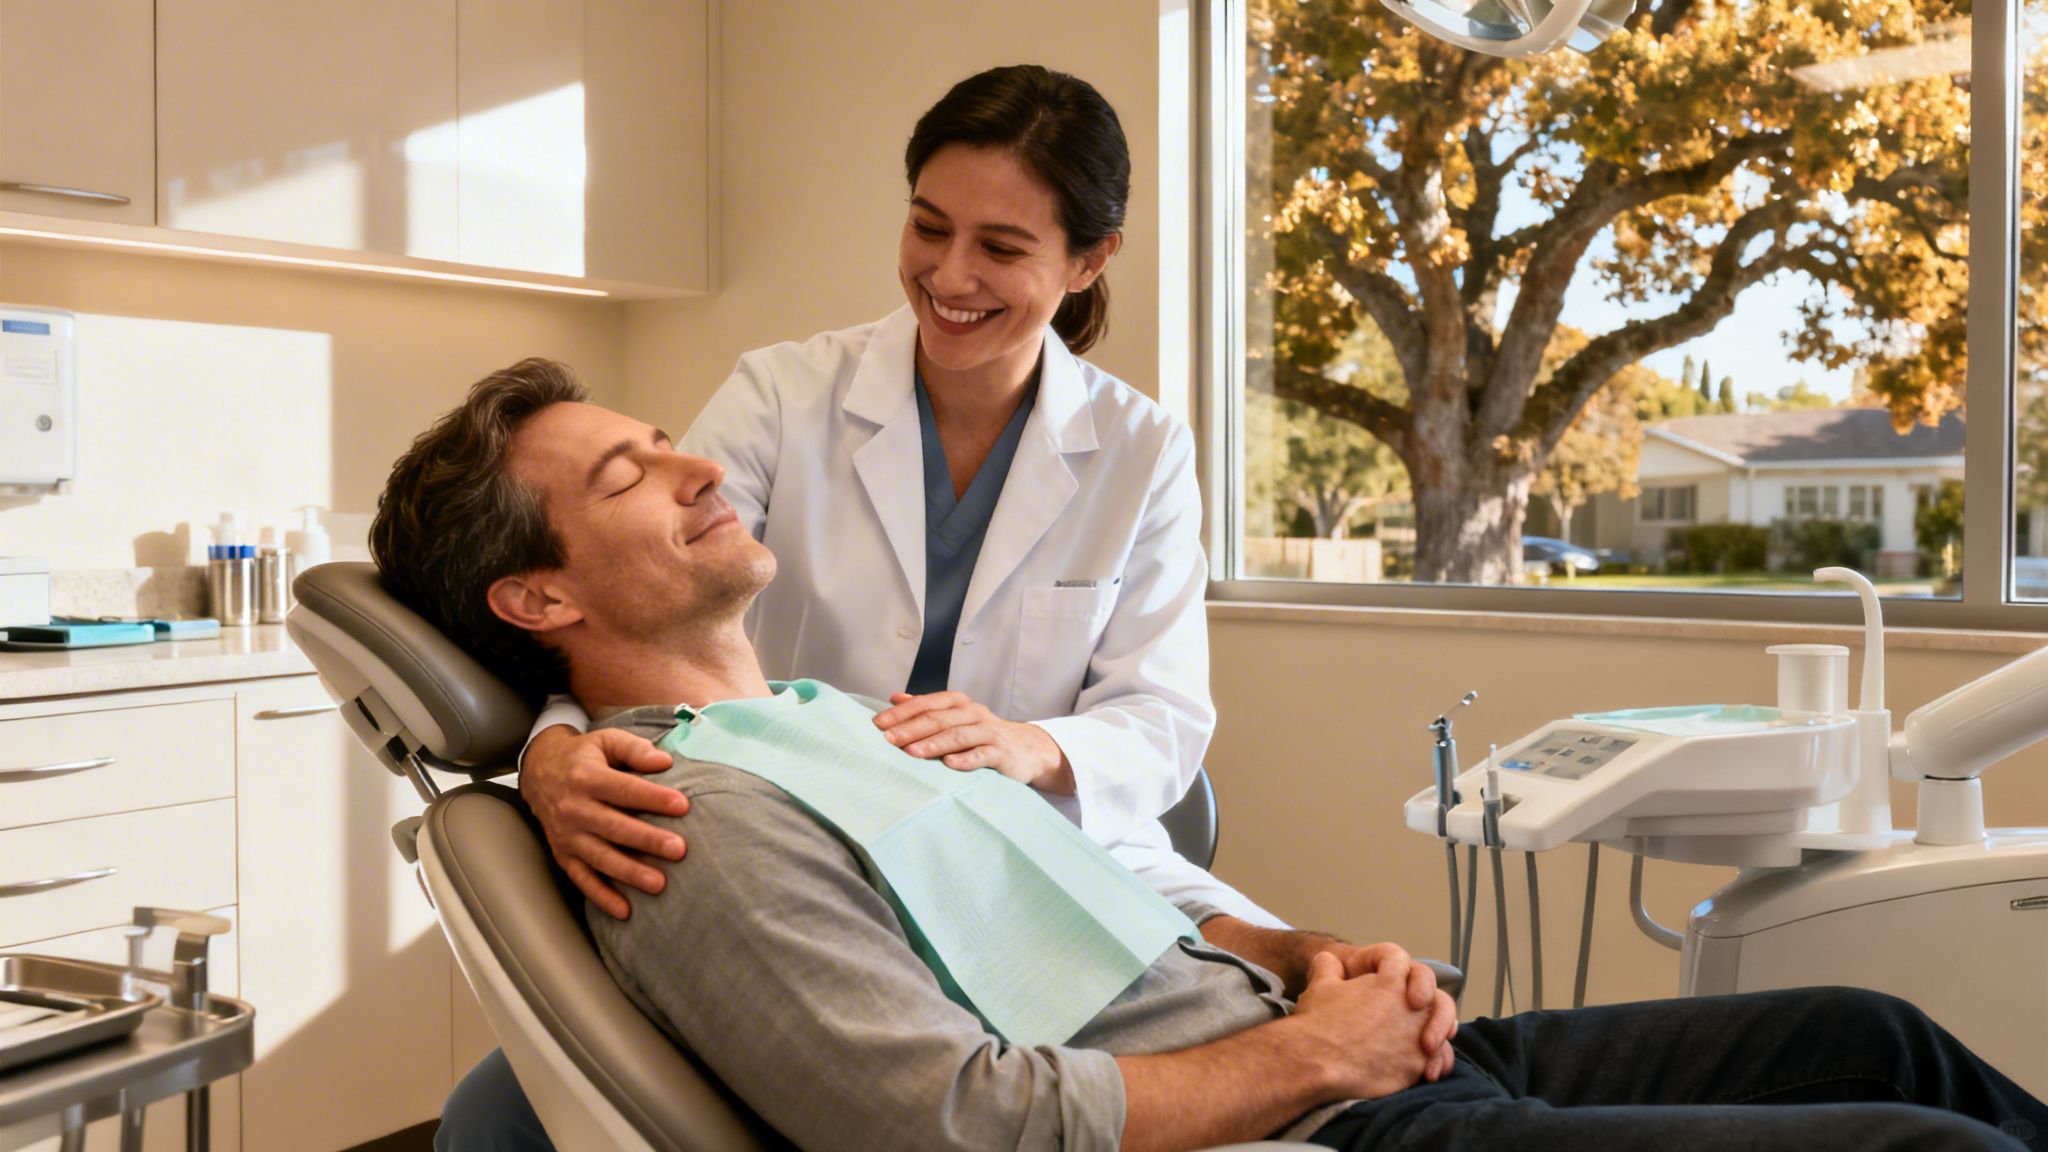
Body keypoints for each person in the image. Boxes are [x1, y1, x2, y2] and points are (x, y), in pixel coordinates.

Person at [375, 362, 2047, 1152]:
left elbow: (1080, 886)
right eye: (623, 477)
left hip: (1307, 1041)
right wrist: (1315, 1056)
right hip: (1297, 1132)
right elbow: (952, 1123)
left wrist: (1291, 951)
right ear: (533, 595)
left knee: (1869, 1029)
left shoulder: (816, 719)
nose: (691, 461)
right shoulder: (682, 813)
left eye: (663, 436)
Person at [449, 63, 1268, 1149]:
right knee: (508, 1107)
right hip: (798, 847)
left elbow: (1161, 721)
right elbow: (627, 586)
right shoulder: (785, 393)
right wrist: (549, 752)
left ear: (1088, 259)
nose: (948, 274)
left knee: (1267, 1004)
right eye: (928, 227)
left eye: (1002, 248)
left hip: (1027, 853)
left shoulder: (1139, 448)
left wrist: (1027, 747)